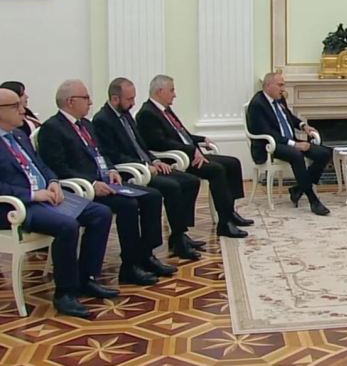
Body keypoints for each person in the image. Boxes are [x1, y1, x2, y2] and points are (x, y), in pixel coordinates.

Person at [37, 80, 174, 286]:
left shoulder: (86, 125)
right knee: (128, 206)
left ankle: (146, 255)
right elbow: (57, 167)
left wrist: (111, 169)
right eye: (85, 98)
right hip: (82, 189)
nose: (91, 102)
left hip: (106, 181)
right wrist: (91, 183)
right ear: (70, 101)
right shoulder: (52, 128)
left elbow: (101, 153)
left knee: (152, 196)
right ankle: (129, 266)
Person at [0, 87, 116, 318]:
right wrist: (33, 194)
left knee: (100, 213)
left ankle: (86, 277)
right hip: (16, 206)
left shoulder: (19, 135)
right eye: (16, 106)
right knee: (67, 226)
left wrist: (53, 181)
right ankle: (65, 293)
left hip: (46, 196)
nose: (23, 110)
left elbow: (40, 165)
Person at [93, 77, 203, 259]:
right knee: (172, 187)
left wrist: (154, 160)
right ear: (115, 99)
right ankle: (166, 244)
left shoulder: (126, 115)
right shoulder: (102, 120)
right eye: (129, 99)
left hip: (146, 165)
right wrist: (145, 165)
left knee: (189, 181)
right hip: (131, 171)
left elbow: (141, 146)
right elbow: (113, 155)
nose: (133, 103)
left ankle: (179, 234)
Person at [136, 74, 250, 238]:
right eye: (172, 90)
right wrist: (190, 150)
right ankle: (224, 222)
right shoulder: (147, 114)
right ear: (160, 91)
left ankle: (230, 212)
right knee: (216, 170)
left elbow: (182, 134)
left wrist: (200, 139)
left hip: (189, 153)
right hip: (176, 159)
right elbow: (160, 143)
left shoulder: (165, 110)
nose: (175, 95)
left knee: (232, 163)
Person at [246, 73, 331, 215]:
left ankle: (298, 189)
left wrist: (303, 126)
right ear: (268, 86)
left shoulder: (279, 99)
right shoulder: (257, 104)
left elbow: (289, 117)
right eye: (280, 85)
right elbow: (267, 132)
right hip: (269, 146)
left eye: (283, 85)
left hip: (288, 141)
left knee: (324, 153)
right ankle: (313, 200)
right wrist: (294, 144)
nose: (283, 89)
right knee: (296, 155)